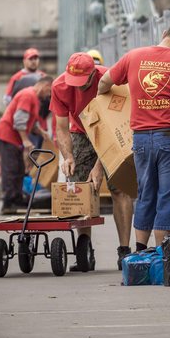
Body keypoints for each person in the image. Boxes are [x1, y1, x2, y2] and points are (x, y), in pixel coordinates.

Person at [97, 20, 170, 250]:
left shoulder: (133, 56)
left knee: (146, 194)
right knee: (169, 196)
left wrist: (107, 106)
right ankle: (163, 258)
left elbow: (104, 82)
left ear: (165, 33)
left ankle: (140, 253)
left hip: (141, 140)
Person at [50, 52, 134, 270]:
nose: (77, 87)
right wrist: (68, 155)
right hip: (80, 132)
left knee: (119, 189)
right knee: (81, 191)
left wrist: (100, 165)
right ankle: (84, 251)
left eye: (82, 83)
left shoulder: (109, 78)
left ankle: (124, 251)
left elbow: (118, 120)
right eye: (73, 82)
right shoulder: (59, 86)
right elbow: (61, 128)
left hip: (110, 129)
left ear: (92, 74)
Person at [0, 76, 53, 214]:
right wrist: (26, 140)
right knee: (11, 169)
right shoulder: (27, 95)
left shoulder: (35, 99)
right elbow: (19, 120)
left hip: (13, 138)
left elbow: (31, 121)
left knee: (19, 168)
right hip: (7, 136)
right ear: (45, 86)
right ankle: (9, 202)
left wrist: (40, 132)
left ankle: (17, 198)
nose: (49, 96)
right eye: (49, 92)